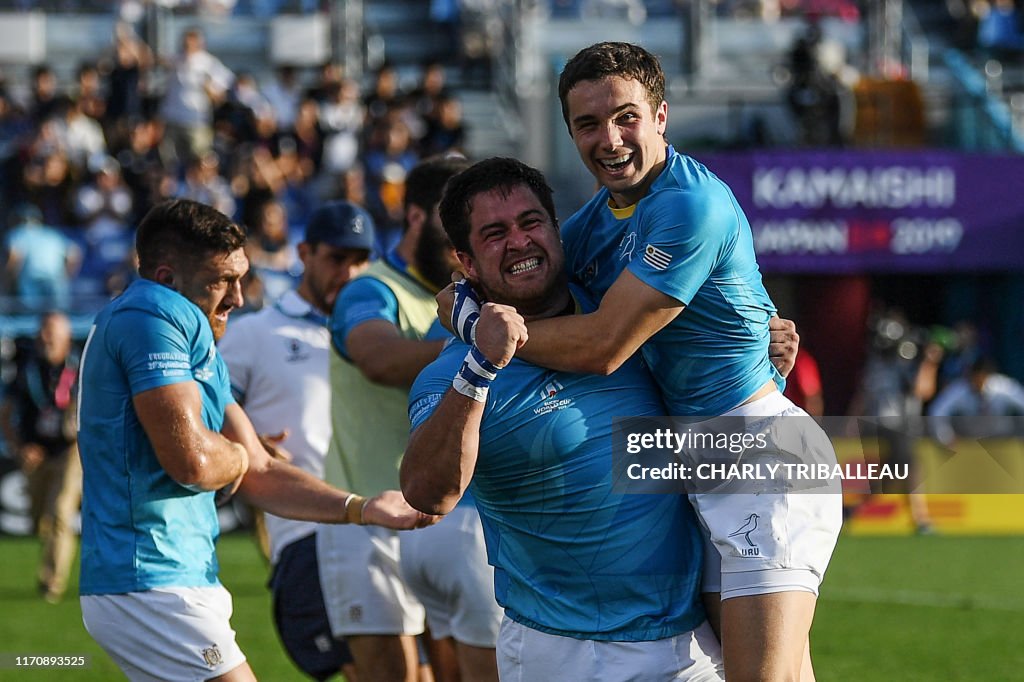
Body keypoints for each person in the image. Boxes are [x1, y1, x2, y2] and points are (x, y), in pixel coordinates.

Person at [440, 42, 834, 681]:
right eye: (588, 124)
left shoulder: (688, 205)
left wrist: (484, 334)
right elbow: (514, 295)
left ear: (661, 116)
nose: (610, 138)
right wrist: (469, 307)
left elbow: (601, 345)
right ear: (569, 131)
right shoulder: (593, 223)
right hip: (688, 463)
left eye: (625, 116)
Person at [77, 199, 434, 682]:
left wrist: (363, 508)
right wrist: (241, 453)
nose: (239, 298)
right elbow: (196, 463)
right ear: (167, 278)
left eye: (241, 278)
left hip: (173, 576)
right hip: (150, 578)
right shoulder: (152, 313)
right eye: (222, 280)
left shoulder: (190, 331)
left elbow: (260, 472)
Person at [402, 157, 724, 681]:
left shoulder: (622, 318)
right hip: (561, 651)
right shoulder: (449, 374)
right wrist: (481, 368)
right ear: (466, 261)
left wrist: (768, 362)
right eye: (494, 234)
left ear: (557, 229)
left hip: (687, 646)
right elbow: (426, 491)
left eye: (531, 223)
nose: (520, 242)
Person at [318, 154, 502, 682]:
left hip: (442, 512)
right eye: (454, 222)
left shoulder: (470, 292)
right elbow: (377, 359)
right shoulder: (372, 289)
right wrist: (480, 347)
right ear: (417, 217)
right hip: (368, 520)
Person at [218, 200, 375, 681]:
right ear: (304, 253)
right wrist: (245, 442)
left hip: (393, 526)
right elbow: (203, 413)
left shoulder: (383, 332)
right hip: (309, 531)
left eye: (359, 259)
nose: (348, 272)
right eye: (336, 258)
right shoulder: (255, 333)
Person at [0, 311, 81, 604]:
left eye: (53, 333)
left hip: (71, 450)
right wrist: (19, 447)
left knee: (61, 514)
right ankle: (48, 552)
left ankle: (52, 583)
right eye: (44, 332)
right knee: (39, 520)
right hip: (35, 451)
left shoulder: (81, 367)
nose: (47, 339)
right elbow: (6, 413)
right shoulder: (25, 369)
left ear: (66, 337)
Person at [928, 357, 1024, 447]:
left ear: (989, 376)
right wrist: (946, 436)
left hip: (1003, 442)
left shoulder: (1004, 388)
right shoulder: (960, 390)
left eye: (982, 378)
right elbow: (938, 411)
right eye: (975, 378)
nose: (978, 383)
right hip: (971, 442)